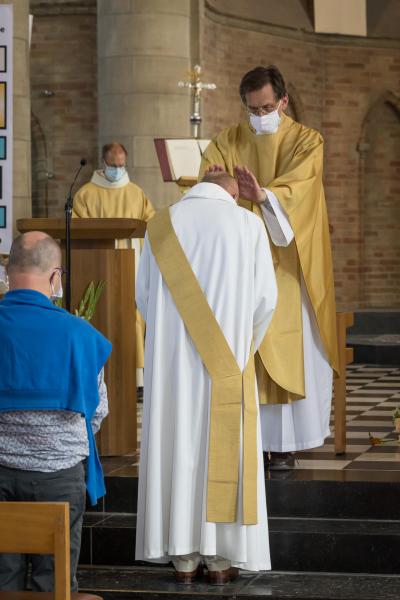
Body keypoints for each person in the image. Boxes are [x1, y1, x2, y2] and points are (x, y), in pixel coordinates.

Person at [135, 171, 277, 583]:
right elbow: (266, 300)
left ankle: (181, 559)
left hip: (172, 370)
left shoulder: (160, 224)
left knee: (176, 447)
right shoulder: (248, 224)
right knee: (219, 449)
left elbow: (143, 297)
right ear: (231, 192)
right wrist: (236, 353)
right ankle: (219, 562)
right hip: (228, 364)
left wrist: (170, 343)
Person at [199, 65, 339, 470]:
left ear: (283, 100)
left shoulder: (307, 141)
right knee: (244, 350)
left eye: (266, 107)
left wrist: (263, 196)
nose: (260, 116)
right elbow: (206, 183)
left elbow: (301, 192)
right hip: (238, 269)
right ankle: (245, 443)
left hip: (289, 268)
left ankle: (283, 445)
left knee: (285, 349)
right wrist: (218, 186)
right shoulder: (228, 140)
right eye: (252, 109)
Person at [0, 232, 112, 592]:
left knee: (3, 583)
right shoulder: (80, 334)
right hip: (59, 479)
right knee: (56, 585)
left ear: (7, 270)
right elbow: (95, 413)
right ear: (55, 277)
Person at [72, 141, 155, 390]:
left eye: (121, 165)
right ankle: (97, 376)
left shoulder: (136, 193)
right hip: (97, 266)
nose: (117, 170)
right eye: (113, 165)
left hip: (132, 264)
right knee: (99, 314)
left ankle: (136, 379)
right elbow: (76, 229)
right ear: (103, 163)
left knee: (133, 317)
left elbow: (151, 225)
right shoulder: (86, 194)